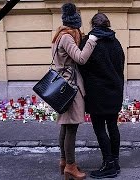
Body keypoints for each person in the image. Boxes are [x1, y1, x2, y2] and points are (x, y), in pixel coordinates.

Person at [52, 3, 98, 180]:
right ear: (75, 22)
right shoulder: (66, 38)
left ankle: (64, 161)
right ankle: (70, 167)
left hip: (63, 84)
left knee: (65, 125)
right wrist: (91, 41)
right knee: (71, 127)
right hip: (70, 86)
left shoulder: (58, 36)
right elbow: (80, 58)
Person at [79, 13, 125, 179]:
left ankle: (108, 165)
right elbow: (121, 66)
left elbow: (81, 66)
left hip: (97, 93)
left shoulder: (89, 42)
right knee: (112, 126)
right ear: (108, 24)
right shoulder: (116, 43)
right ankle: (115, 161)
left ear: (93, 26)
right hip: (114, 90)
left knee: (99, 129)